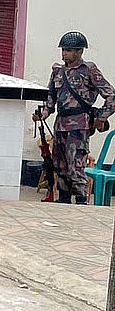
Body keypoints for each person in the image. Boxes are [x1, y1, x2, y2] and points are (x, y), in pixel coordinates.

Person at [34, 32, 115, 204]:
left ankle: (80, 201)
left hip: (79, 125)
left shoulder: (89, 70)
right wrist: (43, 115)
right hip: (60, 124)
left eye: (69, 50)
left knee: (75, 164)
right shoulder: (57, 71)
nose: (64, 54)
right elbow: (51, 99)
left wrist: (101, 117)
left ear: (79, 52)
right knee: (60, 164)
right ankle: (63, 199)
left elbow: (111, 96)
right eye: (63, 50)